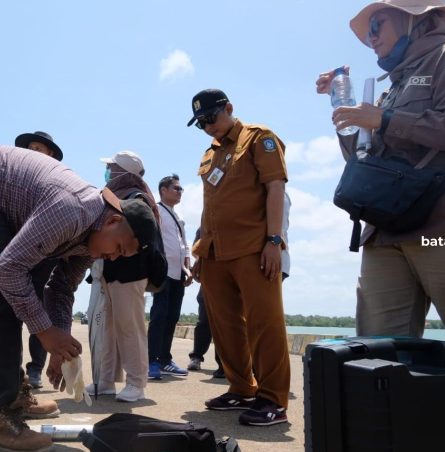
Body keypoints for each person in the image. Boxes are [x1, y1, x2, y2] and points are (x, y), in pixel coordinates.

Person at [0, 145, 159, 452]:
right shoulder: (74, 211)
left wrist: (58, 346)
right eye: (119, 248)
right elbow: (6, 271)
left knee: (20, 292)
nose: (113, 257)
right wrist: (46, 332)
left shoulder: (89, 241)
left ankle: (12, 397)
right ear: (112, 221)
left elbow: (60, 290)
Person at [317, 0, 445, 354]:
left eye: (377, 25)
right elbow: (361, 159)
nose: (370, 38)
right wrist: (344, 108)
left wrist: (383, 119)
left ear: (413, 19)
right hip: (386, 232)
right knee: (378, 354)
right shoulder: (390, 90)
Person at [188, 89, 291, 426]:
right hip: (215, 253)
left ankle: (273, 399)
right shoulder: (210, 153)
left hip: (252, 247)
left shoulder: (259, 138)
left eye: (211, 118)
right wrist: (201, 251)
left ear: (229, 108)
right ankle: (242, 388)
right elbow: (210, 206)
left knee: (265, 323)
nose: (207, 126)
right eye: (200, 123)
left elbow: (275, 188)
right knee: (224, 325)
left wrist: (274, 241)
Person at [85, 151, 164, 402]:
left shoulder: (136, 198)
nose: (108, 171)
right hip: (109, 273)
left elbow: (144, 242)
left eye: (112, 166)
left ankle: (136, 383)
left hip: (131, 273)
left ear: (124, 171)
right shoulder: (115, 195)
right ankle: (105, 380)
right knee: (106, 328)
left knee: (130, 328)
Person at [188, 192, 292, 378]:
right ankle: (233, 371)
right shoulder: (237, 192)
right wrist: (202, 257)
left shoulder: (274, 191)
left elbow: (277, 227)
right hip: (233, 259)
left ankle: (265, 379)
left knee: (259, 321)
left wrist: (273, 243)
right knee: (229, 319)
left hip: (262, 259)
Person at [14, 131, 64, 389]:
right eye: (29, 148)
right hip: (17, 253)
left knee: (39, 314)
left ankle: (35, 369)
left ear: (50, 154)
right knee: (12, 314)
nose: (32, 152)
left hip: (45, 255)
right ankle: (13, 372)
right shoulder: (14, 178)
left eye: (37, 148)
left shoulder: (59, 179)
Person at [147, 174, 192, 380]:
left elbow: (184, 244)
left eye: (181, 189)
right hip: (162, 273)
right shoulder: (156, 211)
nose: (180, 192)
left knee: (172, 317)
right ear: (163, 190)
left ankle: (165, 359)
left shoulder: (177, 215)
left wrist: (187, 266)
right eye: (176, 188)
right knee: (159, 316)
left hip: (178, 273)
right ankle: (152, 361)